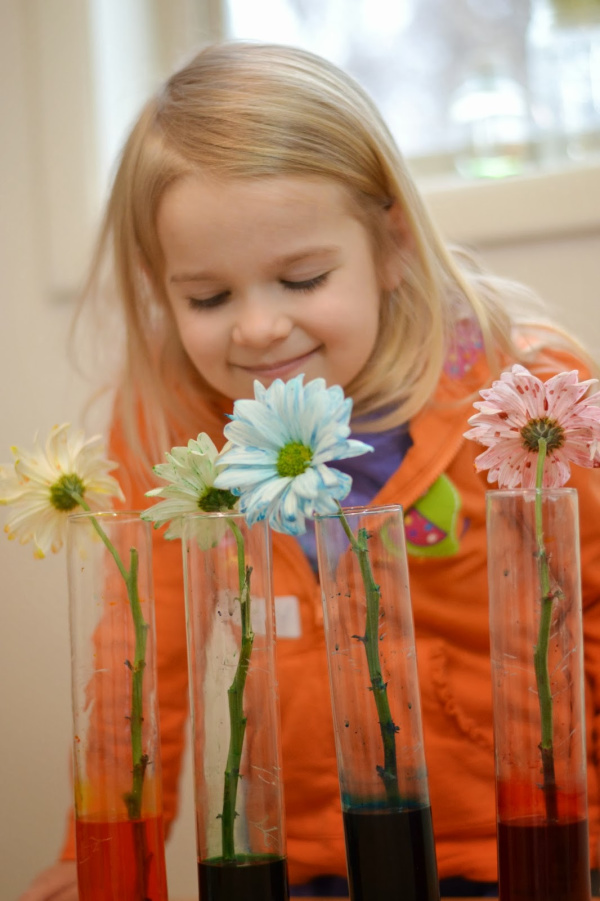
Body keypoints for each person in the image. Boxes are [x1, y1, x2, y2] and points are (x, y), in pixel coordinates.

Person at [19, 41, 600, 900]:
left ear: (391, 243)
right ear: (162, 289)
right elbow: (141, 666)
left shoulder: (534, 403)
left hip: (527, 853)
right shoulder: (172, 432)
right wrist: (95, 853)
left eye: (301, 277)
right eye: (208, 298)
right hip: (302, 865)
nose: (257, 328)